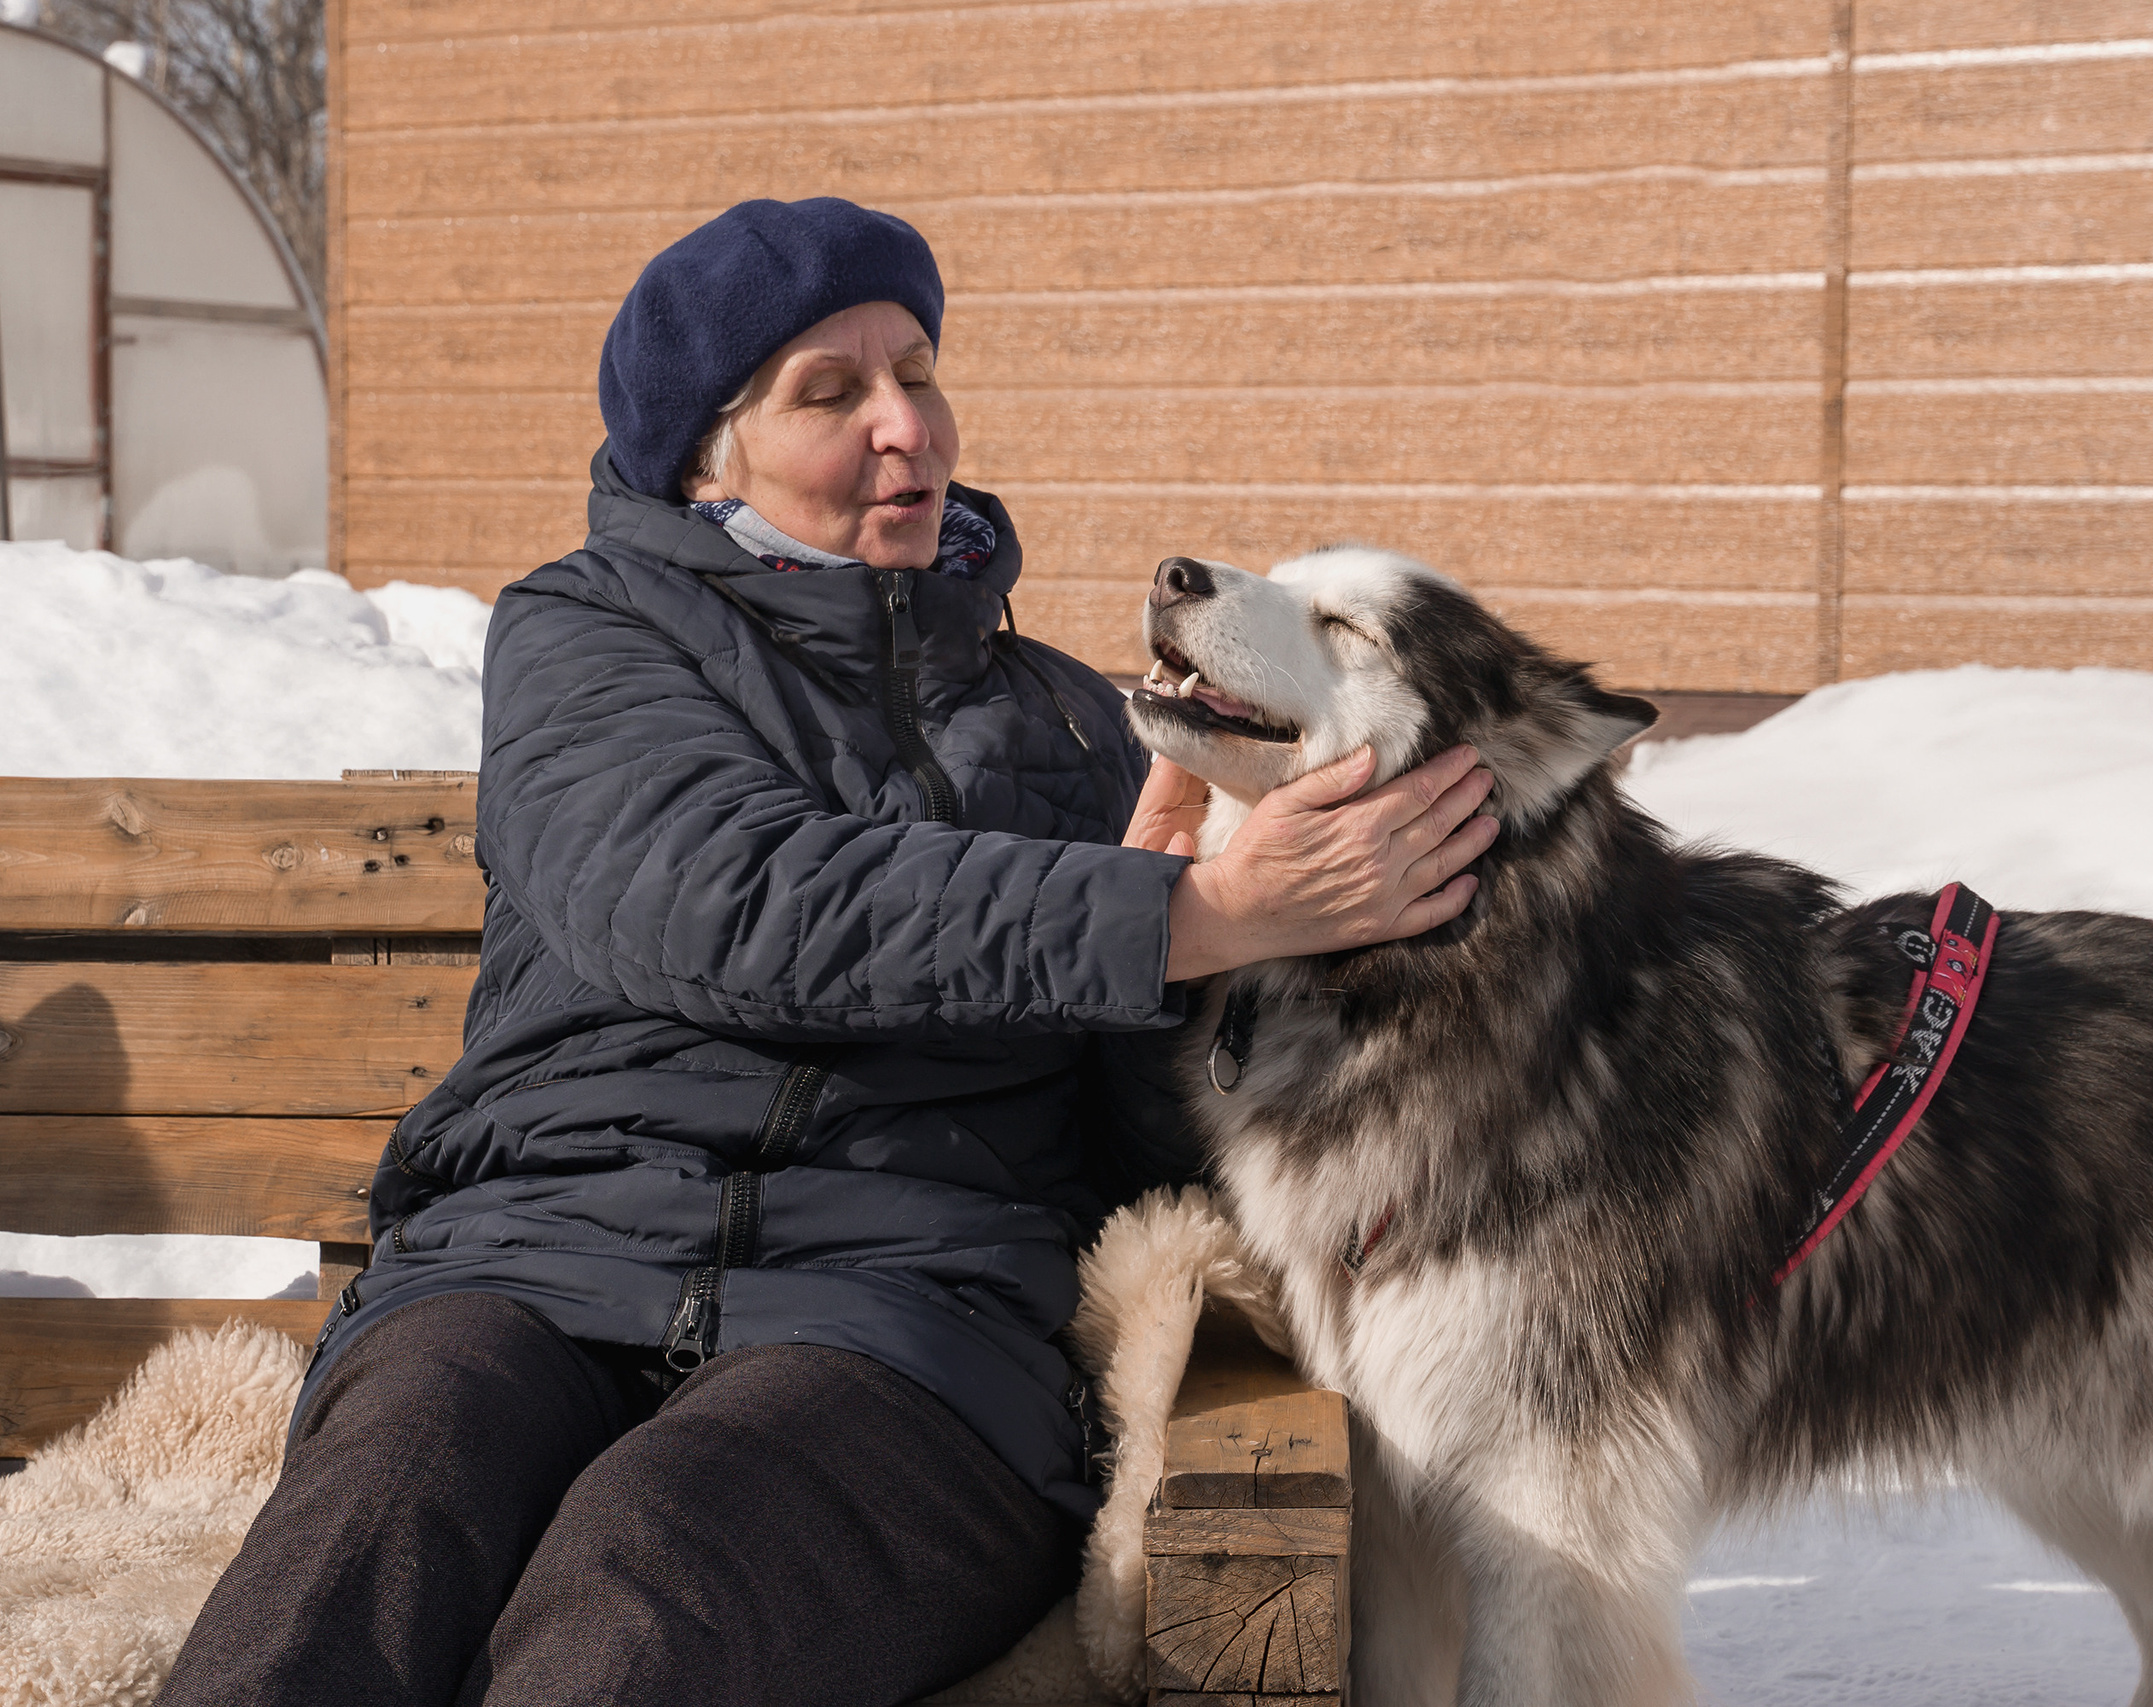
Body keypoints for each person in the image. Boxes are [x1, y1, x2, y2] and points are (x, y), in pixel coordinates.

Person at [156, 197, 1496, 1706]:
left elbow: (1141, 1159)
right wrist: (1179, 920)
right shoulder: (589, 636)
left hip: (906, 1325)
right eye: (830, 391)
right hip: (526, 1265)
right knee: (373, 1526)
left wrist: (1185, 978)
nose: (906, 426)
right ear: (702, 455)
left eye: (918, 371)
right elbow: (717, 897)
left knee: (644, 1588)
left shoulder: (1075, 724)